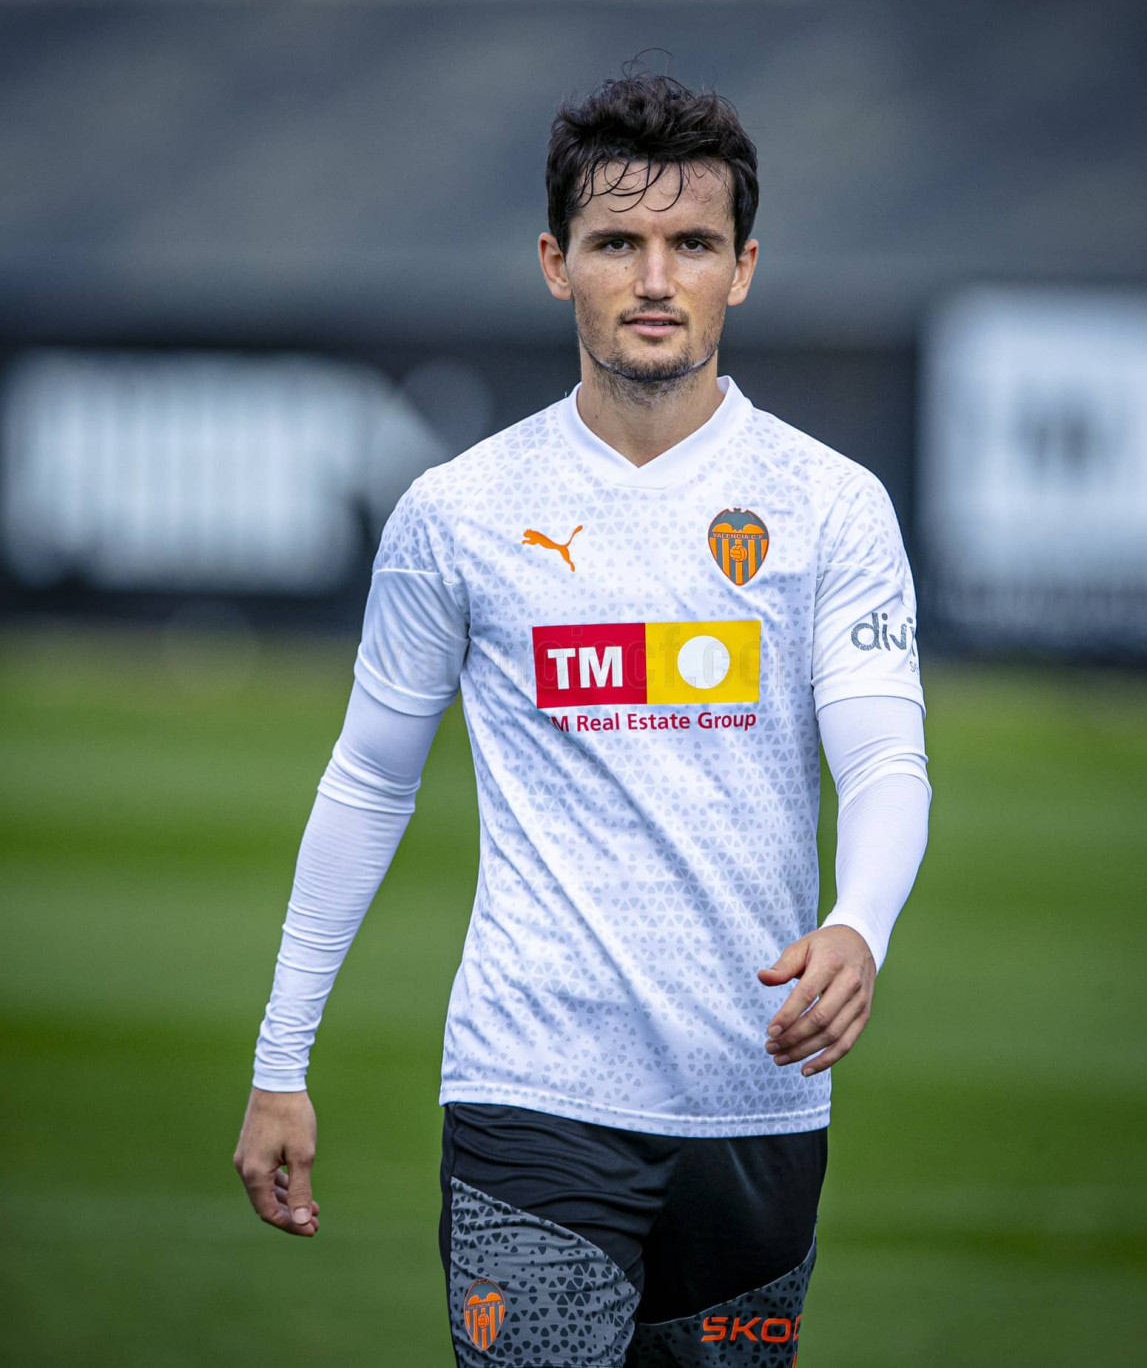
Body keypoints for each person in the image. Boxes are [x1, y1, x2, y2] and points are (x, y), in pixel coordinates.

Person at [234, 68, 931, 1367]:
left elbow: (887, 756)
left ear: (744, 269)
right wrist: (283, 1056)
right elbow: (368, 782)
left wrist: (860, 923)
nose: (655, 278)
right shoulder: (457, 513)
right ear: (557, 263)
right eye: (618, 242)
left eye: (693, 244)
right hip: (531, 1095)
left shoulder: (831, 505)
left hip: (756, 1104)